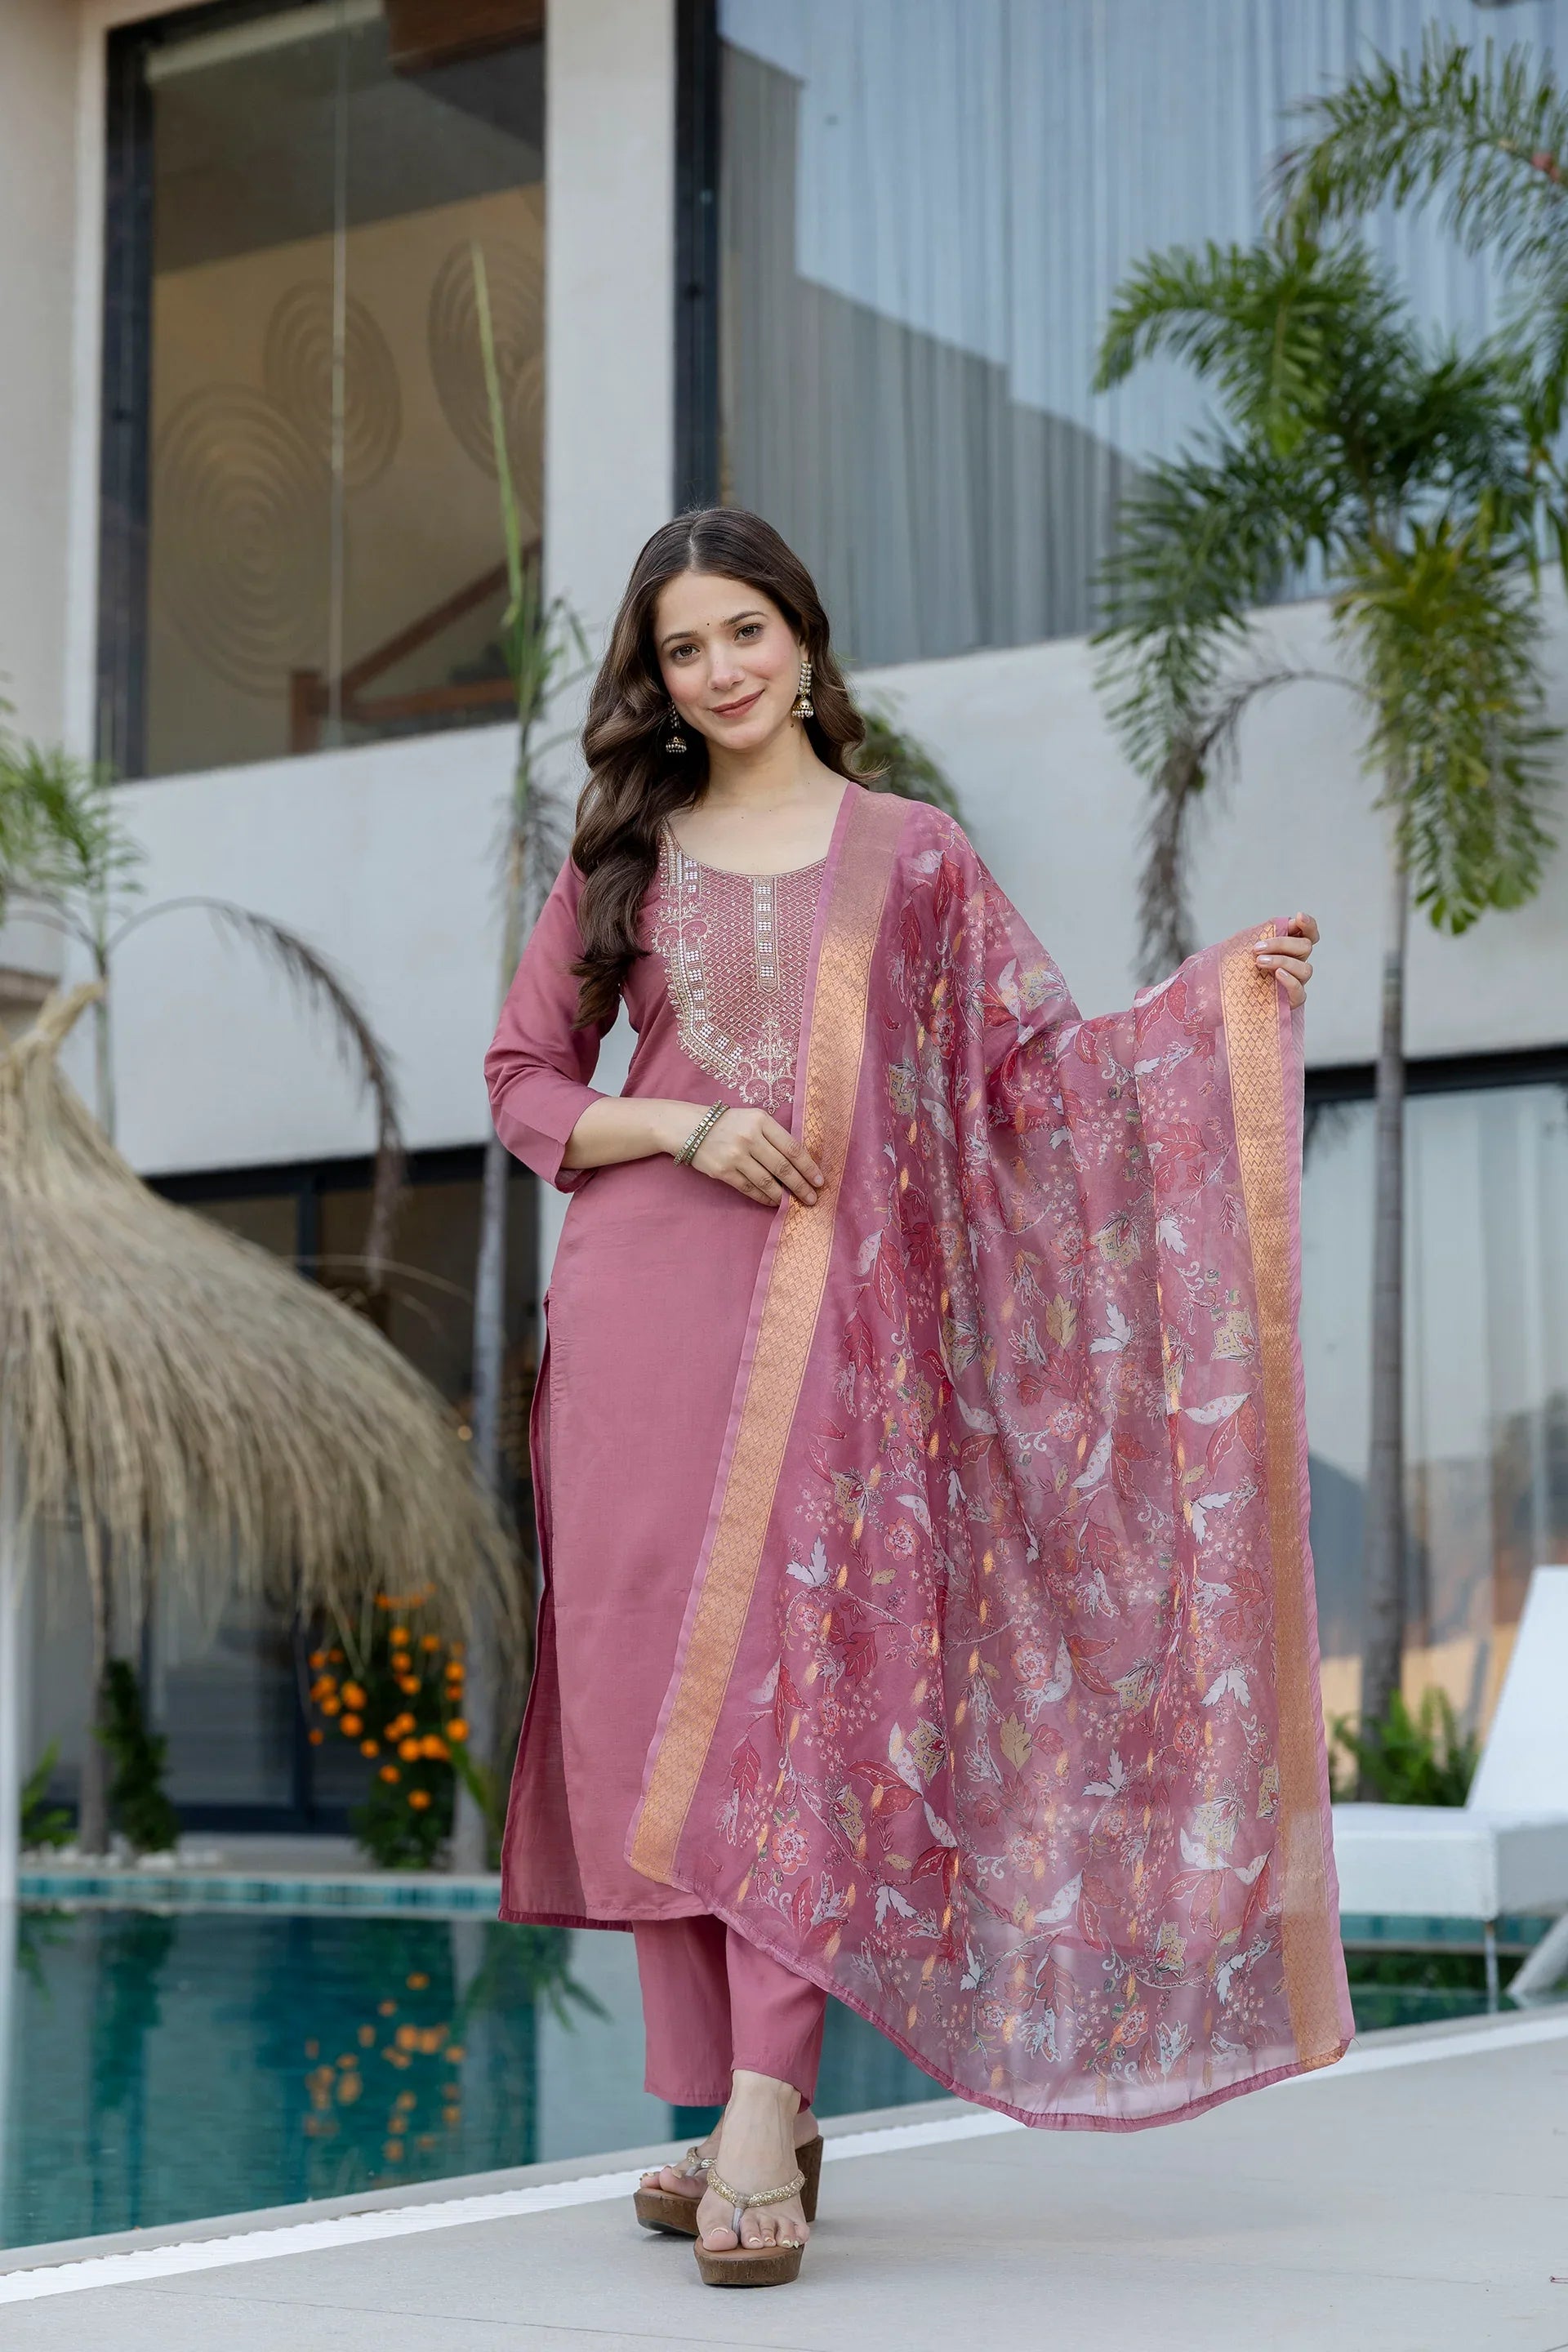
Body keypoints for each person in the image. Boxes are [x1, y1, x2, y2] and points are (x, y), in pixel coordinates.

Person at [485, 508, 1348, 2288]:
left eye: (744, 631)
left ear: (804, 636)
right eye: (682, 649)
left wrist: (1211, 1013)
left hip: (838, 1339)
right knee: (656, 1701)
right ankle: (737, 2108)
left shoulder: (915, 857)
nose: (719, 671)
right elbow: (521, 1079)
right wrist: (687, 1124)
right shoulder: (626, 855)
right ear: (656, 679)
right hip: (638, 1314)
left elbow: (1033, 1083)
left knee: (800, 1696)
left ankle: (761, 2103)